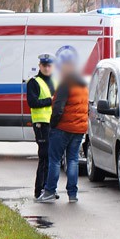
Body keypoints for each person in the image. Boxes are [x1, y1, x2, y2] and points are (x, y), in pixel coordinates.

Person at [35, 48, 88, 204]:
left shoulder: (66, 83)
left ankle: (50, 191)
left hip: (63, 128)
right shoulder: (82, 84)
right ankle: (73, 194)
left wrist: (53, 124)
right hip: (79, 129)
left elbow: (58, 107)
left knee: (55, 160)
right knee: (73, 160)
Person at [27, 54, 56, 198]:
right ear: (39, 66)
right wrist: (49, 101)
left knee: (51, 158)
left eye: (49, 65)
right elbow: (32, 102)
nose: (47, 68)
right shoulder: (34, 82)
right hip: (41, 124)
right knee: (44, 157)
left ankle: (49, 189)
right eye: (44, 65)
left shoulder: (55, 82)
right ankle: (39, 191)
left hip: (53, 123)